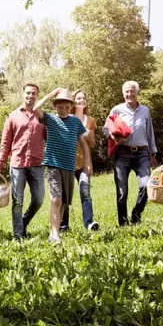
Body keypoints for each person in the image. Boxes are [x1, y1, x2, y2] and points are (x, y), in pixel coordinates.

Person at [33, 88, 92, 244]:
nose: (63, 110)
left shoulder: (75, 121)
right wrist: (51, 94)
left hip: (69, 166)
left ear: (70, 107)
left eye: (67, 107)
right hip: (53, 164)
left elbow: (83, 142)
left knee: (63, 202)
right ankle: (54, 234)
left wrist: (87, 162)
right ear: (55, 106)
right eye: (60, 107)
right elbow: (35, 108)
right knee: (56, 199)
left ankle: (56, 231)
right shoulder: (50, 119)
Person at [0, 83, 46, 241]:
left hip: (37, 164)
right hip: (17, 165)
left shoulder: (42, 116)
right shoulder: (13, 116)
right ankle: (18, 235)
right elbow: (5, 144)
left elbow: (50, 138)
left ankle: (23, 222)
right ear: (23, 94)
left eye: (33, 93)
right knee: (18, 201)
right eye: (28, 93)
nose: (30, 96)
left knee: (39, 199)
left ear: (37, 96)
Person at [103, 81, 158, 226]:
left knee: (146, 185)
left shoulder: (145, 110)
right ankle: (123, 222)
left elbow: (149, 132)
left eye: (132, 91)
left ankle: (136, 214)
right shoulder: (117, 110)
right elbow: (105, 128)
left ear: (137, 92)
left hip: (142, 154)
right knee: (122, 192)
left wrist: (153, 154)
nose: (129, 94)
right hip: (123, 154)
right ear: (123, 94)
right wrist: (113, 137)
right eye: (127, 92)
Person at [60, 90, 99, 231]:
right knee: (65, 195)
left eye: (84, 98)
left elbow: (93, 144)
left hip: (84, 163)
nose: (81, 100)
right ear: (73, 102)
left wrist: (87, 135)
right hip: (67, 163)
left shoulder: (90, 120)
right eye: (78, 98)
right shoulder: (66, 118)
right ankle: (63, 226)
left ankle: (89, 223)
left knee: (85, 192)